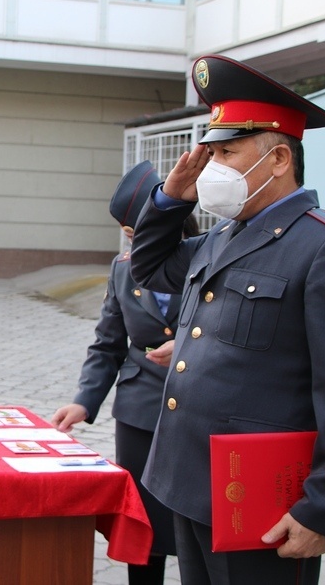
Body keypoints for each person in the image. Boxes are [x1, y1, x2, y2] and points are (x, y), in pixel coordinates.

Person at [128, 54, 325, 585]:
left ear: (276, 160)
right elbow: (150, 268)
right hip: (192, 480)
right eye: (212, 152)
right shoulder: (226, 234)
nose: (213, 166)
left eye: (227, 152)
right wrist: (170, 198)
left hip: (261, 497)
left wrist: (324, 508)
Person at [51, 160, 199, 585]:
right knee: (144, 526)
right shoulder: (122, 269)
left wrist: (190, 346)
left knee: (195, 524)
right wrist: (84, 400)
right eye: (131, 237)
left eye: (141, 235)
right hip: (138, 412)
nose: (135, 247)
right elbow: (107, 343)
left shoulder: (210, 257)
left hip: (197, 408)